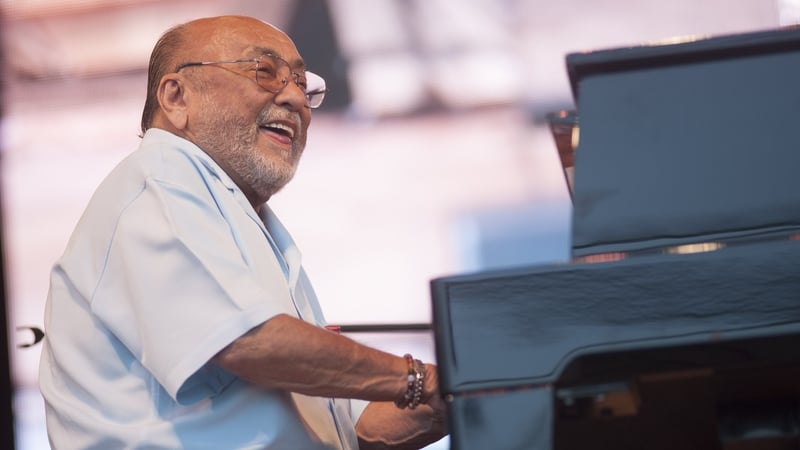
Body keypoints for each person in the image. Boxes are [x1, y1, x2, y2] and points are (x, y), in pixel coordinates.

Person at [38, 15, 447, 450]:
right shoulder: (157, 182)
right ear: (177, 97)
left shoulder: (237, 214)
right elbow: (251, 343)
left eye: (302, 84)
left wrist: (467, 390)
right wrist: (415, 379)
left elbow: (351, 432)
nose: (295, 98)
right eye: (265, 73)